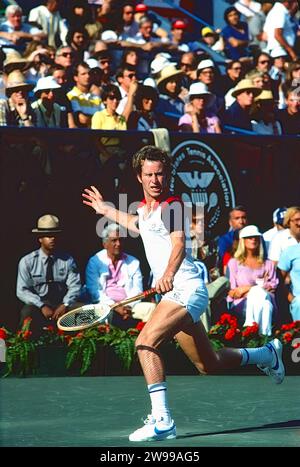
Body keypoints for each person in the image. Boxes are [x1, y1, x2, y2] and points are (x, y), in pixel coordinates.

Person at [82, 145, 285, 443]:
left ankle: (162, 420)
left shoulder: (172, 206)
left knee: (145, 343)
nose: (155, 180)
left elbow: (179, 245)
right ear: (139, 177)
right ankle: (266, 354)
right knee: (209, 364)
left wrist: (167, 274)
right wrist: (104, 210)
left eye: (160, 174)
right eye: (149, 174)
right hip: (175, 294)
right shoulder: (144, 209)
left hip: (185, 289)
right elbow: (134, 223)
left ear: (167, 175)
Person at [16, 215, 82, 339]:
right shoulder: (27, 261)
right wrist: (41, 305)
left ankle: (81, 348)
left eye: (54, 235)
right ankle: (24, 350)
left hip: (62, 303)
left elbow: (75, 285)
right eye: (48, 235)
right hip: (38, 304)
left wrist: (65, 304)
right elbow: (21, 290)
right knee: (27, 312)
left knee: (83, 310)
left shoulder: (67, 260)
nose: (52, 239)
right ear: (40, 238)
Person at [85, 223, 156, 329]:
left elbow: (138, 290)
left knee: (151, 308)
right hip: (105, 305)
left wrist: (127, 306)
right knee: (102, 313)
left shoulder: (133, 261)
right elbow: (95, 292)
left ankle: (146, 342)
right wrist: (114, 306)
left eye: (121, 240)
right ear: (105, 244)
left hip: (129, 305)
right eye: (114, 240)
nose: (118, 244)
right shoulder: (95, 261)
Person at [227, 225, 279, 335]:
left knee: (259, 295)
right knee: (265, 306)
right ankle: (265, 336)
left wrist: (247, 289)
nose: (253, 239)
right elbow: (233, 291)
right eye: (250, 237)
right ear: (243, 241)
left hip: (266, 297)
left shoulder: (267, 263)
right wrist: (256, 289)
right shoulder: (234, 263)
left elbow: (272, 286)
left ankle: (250, 328)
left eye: (256, 237)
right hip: (241, 303)